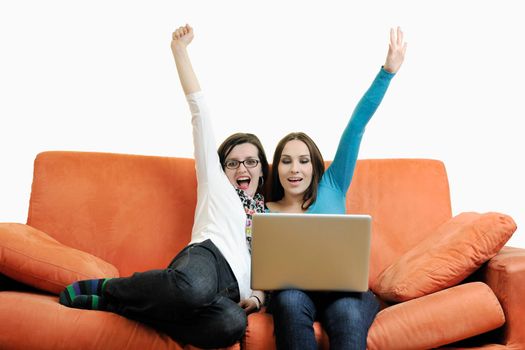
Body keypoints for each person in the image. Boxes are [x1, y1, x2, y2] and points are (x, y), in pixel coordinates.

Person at [58, 24, 268, 349]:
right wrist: (180, 51)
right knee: (193, 289)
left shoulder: (269, 216)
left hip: (231, 294)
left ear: (262, 170)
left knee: (231, 325)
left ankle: (116, 307)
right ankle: (110, 288)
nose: (242, 168)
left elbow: (269, 274)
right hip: (206, 259)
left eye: (251, 162)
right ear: (221, 168)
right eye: (233, 162)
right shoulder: (218, 187)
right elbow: (200, 112)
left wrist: (255, 298)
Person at [266, 27, 407, 349]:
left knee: (346, 313)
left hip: (344, 292)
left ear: (316, 166)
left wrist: (387, 73)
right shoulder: (266, 211)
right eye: (286, 161)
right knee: (287, 300)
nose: (295, 169)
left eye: (303, 160)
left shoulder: (332, 184)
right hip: (293, 293)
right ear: (278, 168)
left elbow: (356, 126)